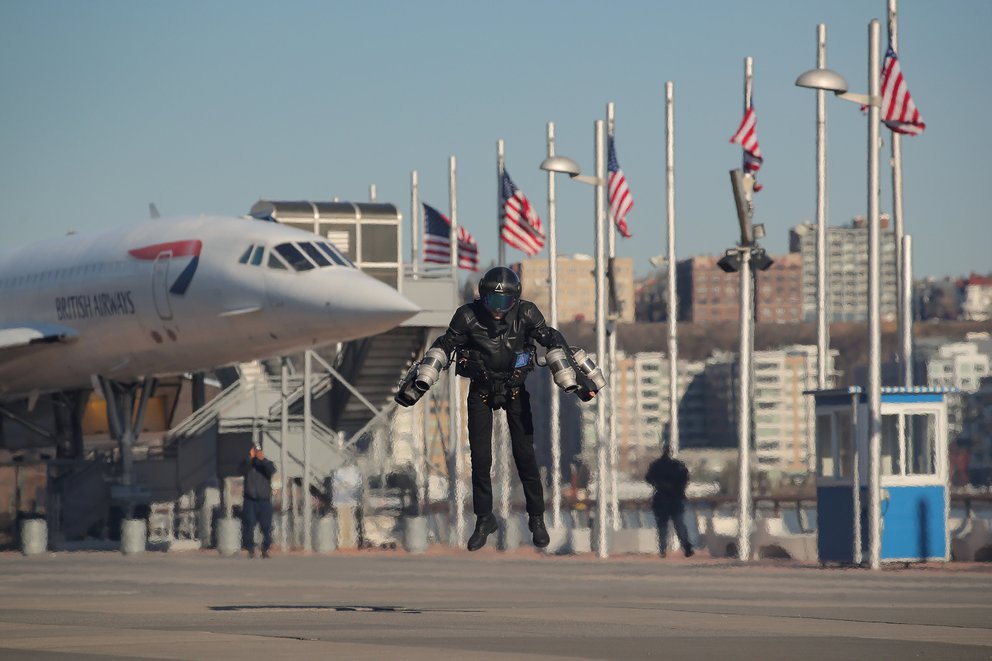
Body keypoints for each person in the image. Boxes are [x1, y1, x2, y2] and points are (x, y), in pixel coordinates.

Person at [397, 266, 602, 551]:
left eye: (504, 303)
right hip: (480, 391)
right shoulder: (467, 315)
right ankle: (484, 519)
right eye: (492, 302)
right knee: (481, 461)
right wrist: (418, 385)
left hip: (515, 390)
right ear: (482, 297)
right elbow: (444, 346)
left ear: (515, 301)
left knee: (525, 458)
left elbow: (553, 340)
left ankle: (537, 518)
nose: (497, 310)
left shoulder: (528, 314)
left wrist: (580, 384)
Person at [645, 443, 694, 558]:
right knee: (679, 524)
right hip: (675, 498)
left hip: (662, 498)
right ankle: (686, 547)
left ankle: (663, 549)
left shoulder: (656, 465)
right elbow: (685, 479)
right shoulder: (678, 466)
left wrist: (659, 484)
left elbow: (648, 478)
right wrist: (679, 489)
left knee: (663, 526)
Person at [240, 444, 276, 558]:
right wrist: (249, 458)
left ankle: (265, 548)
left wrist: (262, 460)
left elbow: (271, 470)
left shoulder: (267, 464)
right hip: (250, 500)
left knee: (266, 526)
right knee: (249, 524)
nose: (257, 453)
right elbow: (241, 470)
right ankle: (250, 548)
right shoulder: (247, 464)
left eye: (258, 451)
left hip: (264, 500)